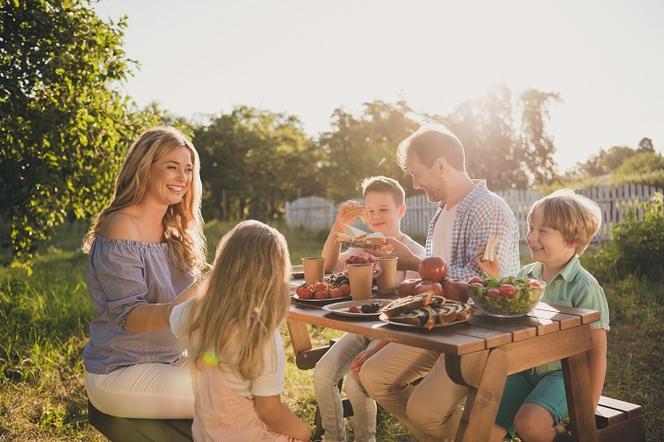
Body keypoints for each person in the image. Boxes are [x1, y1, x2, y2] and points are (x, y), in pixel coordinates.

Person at [358, 124, 521, 441]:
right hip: (440, 326)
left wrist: (413, 262)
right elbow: (432, 285)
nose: (415, 183)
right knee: (373, 376)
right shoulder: (440, 214)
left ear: (442, 165)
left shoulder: (488, 209)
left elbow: (482, 283)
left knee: (423, 411)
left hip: (479, 335)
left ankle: (467, 433)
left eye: (417, 173)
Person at [81, 127, 208, 418]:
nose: (182, 178)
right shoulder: (122, 225)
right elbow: (131, 318)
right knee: (228, 401)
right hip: (121, 371)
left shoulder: (175, 229)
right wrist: (203, 286)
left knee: (252, 382)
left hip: (172, 361)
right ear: (144, 169)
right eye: (171, 167)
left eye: (188, 169)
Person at [476, 189, 609, 442]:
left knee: (530, 423)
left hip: (564, 374)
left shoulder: (584, 287)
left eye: (543, 231)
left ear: (571, 240)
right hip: (526, 369)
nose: (532, 237)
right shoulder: (527, 276)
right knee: (483, 427)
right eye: (531, 227)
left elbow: (598, 352)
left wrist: (587, 410)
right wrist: (495, 277)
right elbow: (510, 301)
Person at [169, 221, 312, 441]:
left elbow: (173, 319)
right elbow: (269, 411)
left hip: (207, 436)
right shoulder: (259, 334)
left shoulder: (196, 310)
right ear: (275, 276)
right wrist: (304, 431)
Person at [315, 176, 425, 442]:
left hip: (394, 336)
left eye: (384, 210)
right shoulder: (363, 246)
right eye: (371, 211)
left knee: (355, 382)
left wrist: (377, 348)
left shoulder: (414, 253)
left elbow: (412, 312)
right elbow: (327, 268)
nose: (376, 217)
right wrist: (339, 227)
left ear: (401, 210)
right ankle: (333, 437)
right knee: (323, 372)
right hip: (362, 329)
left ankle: (366, 438)